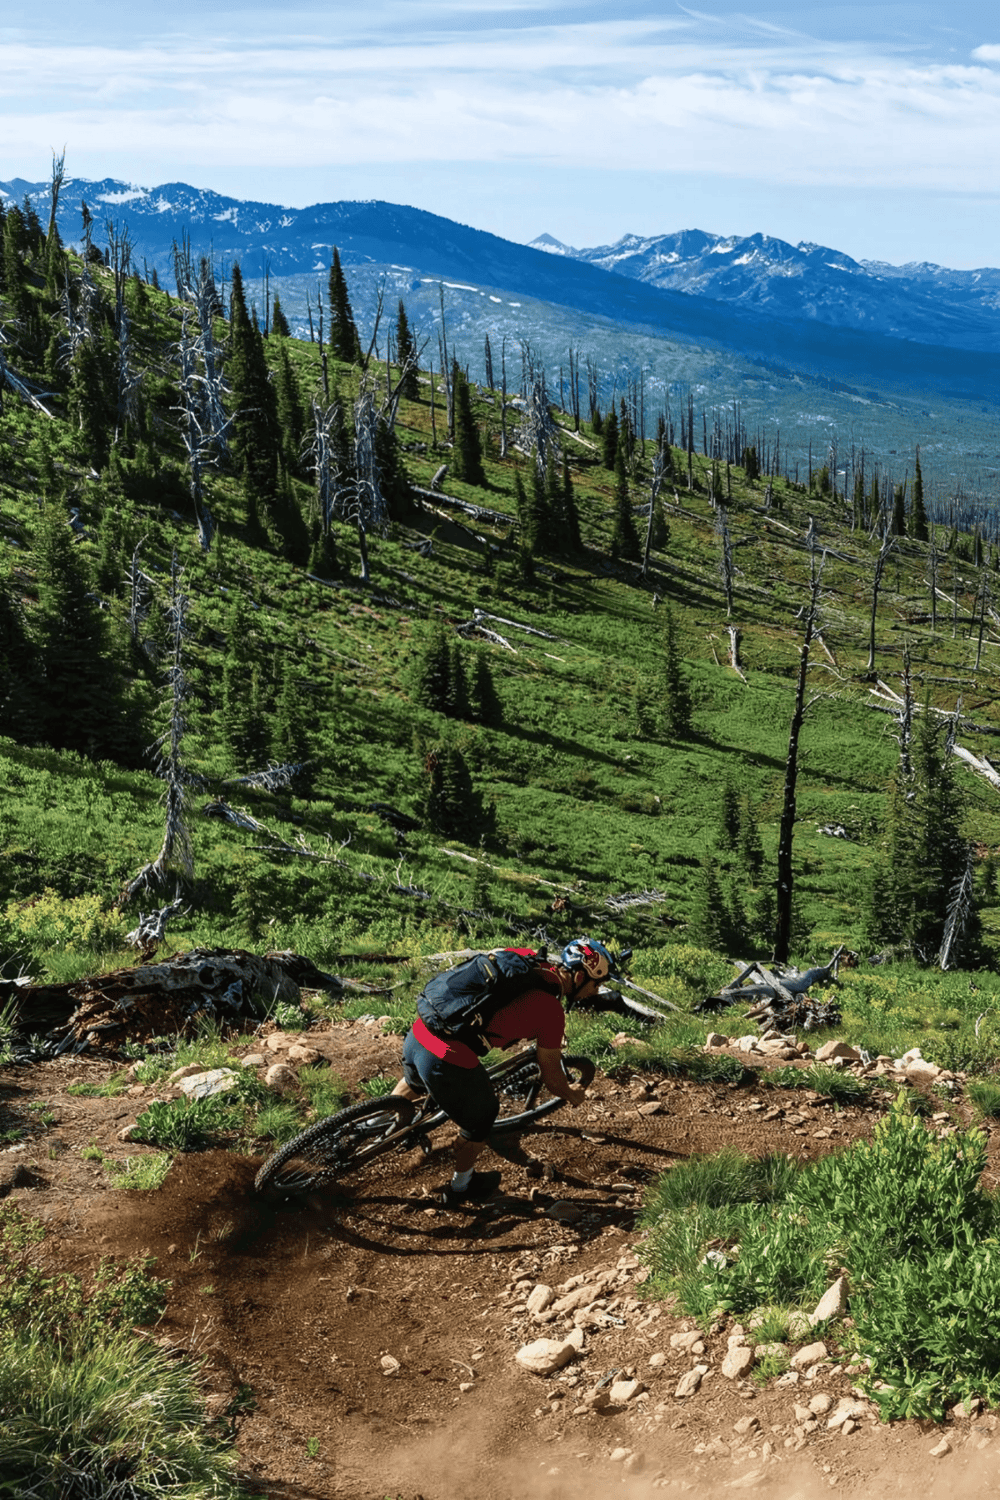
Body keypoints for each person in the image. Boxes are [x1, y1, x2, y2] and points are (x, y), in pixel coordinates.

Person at [392, 938, 618, 1206]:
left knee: (413, 1083)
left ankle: (370, 1126)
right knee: (483, 1118)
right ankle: (462, 1186)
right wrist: (571, 1093)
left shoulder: (526, 958)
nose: (596, 992)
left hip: (421, 1031)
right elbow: (553, 1078)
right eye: (597, 984)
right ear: (579, 976)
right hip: (444, 1058)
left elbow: (493, 959)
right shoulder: (550, 1011)